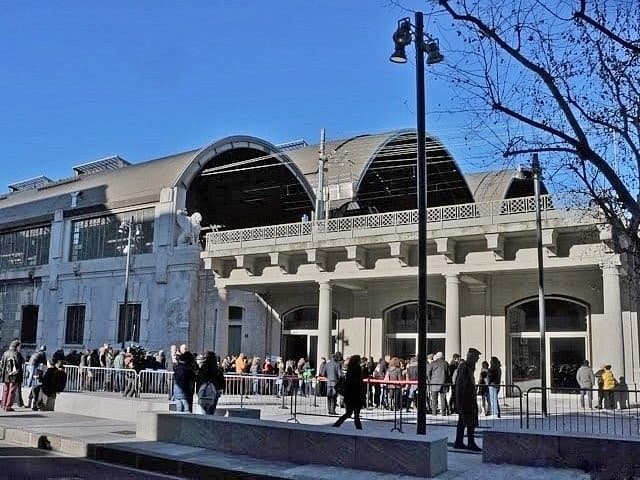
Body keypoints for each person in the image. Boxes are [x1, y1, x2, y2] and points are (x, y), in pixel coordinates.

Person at [453, 348, 482, 452]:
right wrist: (461, 401)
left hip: (467, 399)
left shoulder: (467, 367)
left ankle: (460, 441)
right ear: (472, 357)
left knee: (463, 421)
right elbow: (462, 386)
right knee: (469, 421)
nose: (477, 360)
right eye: (476, 357)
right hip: (466, 400)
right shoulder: (465, 368)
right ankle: (469, 442)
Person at [332, 355, 365, 430]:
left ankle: (337, 424)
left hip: (349, 394)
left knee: (348, 413)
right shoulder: (358, 368)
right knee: (356, 414)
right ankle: (359, 428)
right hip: (356, 394)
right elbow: (359, 382)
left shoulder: (349, 368)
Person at [0, 340, 22, 412]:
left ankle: (3, 405)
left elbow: (2, 363)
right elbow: (20, 362)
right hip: (14, 374)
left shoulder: (5, 353)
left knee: (5, 390)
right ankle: (8, 406)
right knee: (12, 390)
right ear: (17, 346)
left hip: (6, 374)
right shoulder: (16, 353)